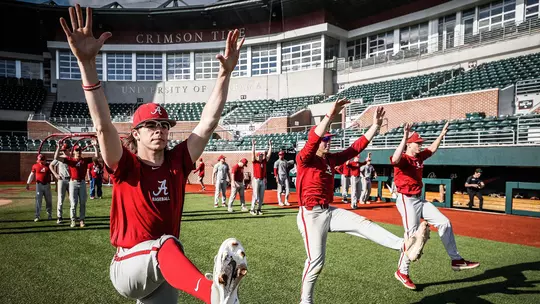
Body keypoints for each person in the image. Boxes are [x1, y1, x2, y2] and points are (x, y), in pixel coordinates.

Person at [59, 5, 247, 303]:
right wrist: (86, 65)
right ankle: (215, 295)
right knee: (168, 244)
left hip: (160, 265)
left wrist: (224, 74)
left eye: (163, 124)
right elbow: (102, 124)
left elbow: (208, 123)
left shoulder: (177, 162)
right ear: (135, 133)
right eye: (150, 125)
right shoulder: (126, 165)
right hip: (129, 265)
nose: (159, 129)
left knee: (168, 248)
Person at [295, 100, 429, 304]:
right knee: (316, 262)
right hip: (310, 214)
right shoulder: (304, 158)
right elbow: (313, 138)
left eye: (329, 138)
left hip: (328, 211)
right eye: (325, 139)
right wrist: (330, 115)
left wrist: (375, 126)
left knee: (364, 224)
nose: (327, 141)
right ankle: (306, 301)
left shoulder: (329, 160)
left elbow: (354, 149)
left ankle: (405, 245)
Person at [390, 123, 480, 290]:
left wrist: (442, 134)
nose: (420, 145)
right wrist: (405, 136)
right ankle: (402, 271)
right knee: (411, 236)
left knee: (444, 222)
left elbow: (432, 149)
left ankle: (456, 260)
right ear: (409, 144)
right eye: (417, 143)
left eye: (420, 143)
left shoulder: (419, 157)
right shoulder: (404, 159)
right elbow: (395, 159)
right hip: (406, 199)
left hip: (419, 199)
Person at [54, 139, 98, 228]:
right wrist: (58, 147)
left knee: (82, 203)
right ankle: (73, 220)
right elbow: (56, 158)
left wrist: (95, 146)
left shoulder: (84, 160)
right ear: (73, 151)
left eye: (79, 150)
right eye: (77, 150)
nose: (78, 152)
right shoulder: (70, 160)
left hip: (82, 182)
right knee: (73, 203)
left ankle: (81, 220)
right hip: (73, 183)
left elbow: (97, 157)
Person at [26, 154, 54, 222]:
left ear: (44, 159)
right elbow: (32, 174)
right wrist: (28, 183)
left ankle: (49, 214)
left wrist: (54, 182)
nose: (40, 162)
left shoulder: (48, 165)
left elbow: (52, 174)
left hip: (47, 185)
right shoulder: (35, 165)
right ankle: (37, 216)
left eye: (41, 160)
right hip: (39, 185)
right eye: (39, 160)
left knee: (49, 201)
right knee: (38, 201)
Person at [50, 143, 71, 224]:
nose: (64, 152)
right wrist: (55, 174)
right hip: (62, 180)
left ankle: (72, 216)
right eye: (63, 150)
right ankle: (59, 217)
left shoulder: (72, 157)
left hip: (71, 180)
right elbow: (51, 165)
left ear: (69, 149)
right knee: (60, 199)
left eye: (65, 150)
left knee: (72, 199)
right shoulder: (60, 158)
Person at [250, 139, 272, 215]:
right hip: (256, 180)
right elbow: (252, 154)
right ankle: (252, 209)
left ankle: (259, 209)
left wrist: (270, 145)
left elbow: (269, 155)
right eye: (260, 156)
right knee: (255, 195)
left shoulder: (264, 161)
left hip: (262, 180)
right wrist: (253, 145)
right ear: (257, 156)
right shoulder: (255, 162)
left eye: (261, 156)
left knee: (261, 196)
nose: (261, 157)